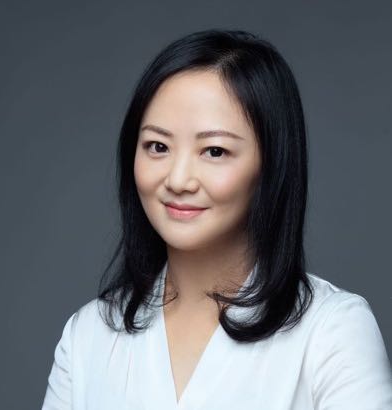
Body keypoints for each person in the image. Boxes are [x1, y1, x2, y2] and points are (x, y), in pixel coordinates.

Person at [41, 29, 392, 409]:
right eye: (157, 146)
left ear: (271, 165)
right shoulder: (88, 336)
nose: (178, 180)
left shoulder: (331, 331)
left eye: (214, 151)